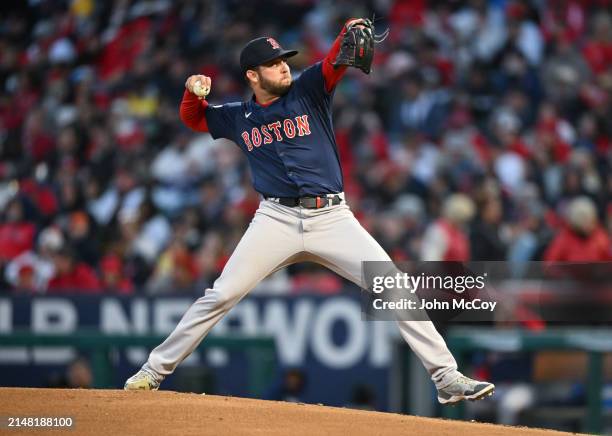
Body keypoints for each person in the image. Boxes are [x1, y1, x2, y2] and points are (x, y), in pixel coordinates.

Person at [124, 18, 494, 405]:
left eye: (284, 59)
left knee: (395, 287)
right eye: (273, 63)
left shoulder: (309, 90)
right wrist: (191, 93)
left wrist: (346, 30)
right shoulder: (238, 116)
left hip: (332, 218)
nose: (284, 66)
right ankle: (154, 369)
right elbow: (193, 118)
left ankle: (446, 376)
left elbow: (335, 61)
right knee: (220, 295)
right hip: (276, 219)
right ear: (252, 75)